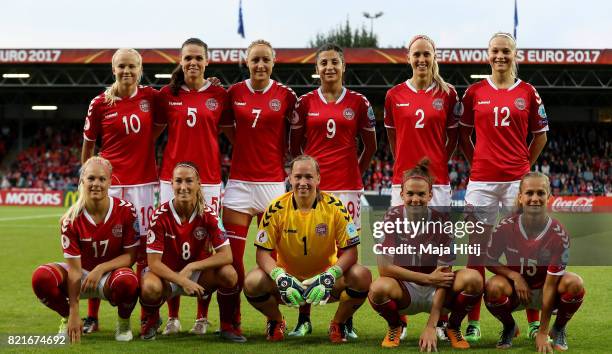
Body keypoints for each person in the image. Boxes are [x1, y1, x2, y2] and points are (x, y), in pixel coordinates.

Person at [458, 32, 549, 342]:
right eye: (495, 51)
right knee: (477, 251)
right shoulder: (473, 92)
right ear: (488, 55)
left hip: (515, 182)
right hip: (482, 182)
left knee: (522, 251)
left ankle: (534, 321)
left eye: (506, 51)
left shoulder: (529, 92)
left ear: (515, 54)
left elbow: (541, 136)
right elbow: (463, 136)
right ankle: (473, 321)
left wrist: (523, 166)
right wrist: (478, 164)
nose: (500, 56)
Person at [289, 43, 377, 337]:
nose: (329, 67)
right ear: (316, 69)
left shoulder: (359, 102)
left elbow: (371, 146)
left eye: (334, 62)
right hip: (312, 192)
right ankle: (304, 318)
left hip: (348, 189)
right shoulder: (304, 103)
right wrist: (308, 179)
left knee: (348, 255)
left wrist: (354, 173)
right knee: (306, 252)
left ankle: (344, 319)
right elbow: (295, 147)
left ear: (343, 67)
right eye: (323, 63)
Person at [243, 155, 371, 343]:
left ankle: (339, 323)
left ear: (318, 179)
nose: (303, 182)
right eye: (298, 177)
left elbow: (351, 252)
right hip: (287, 283)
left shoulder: (335, 207)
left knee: (362, 276)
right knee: (252, 282)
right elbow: (262, 253)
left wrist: (330, 275)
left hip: (325, 282)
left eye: (309, 177)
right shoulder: (275, 208)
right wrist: (280, 276)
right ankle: (276, 320)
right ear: (290, 179)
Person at [384, 34, 461, 340]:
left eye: (426, 54)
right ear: (408, 58)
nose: (421, 59)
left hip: (438, 183)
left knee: (438, 251)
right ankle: (399, 319)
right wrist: (405, 167)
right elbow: (393, 139)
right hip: (401, 183)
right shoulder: (394, 95)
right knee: (400, 249)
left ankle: (438, 320)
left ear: (434, 56)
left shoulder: (448, 94)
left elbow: (452, 139)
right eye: (416, 54)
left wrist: (439, 162)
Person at [219, 39, 297, 336]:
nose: (260, 65)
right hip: (239, 185)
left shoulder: (286, 95)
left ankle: (275, 320)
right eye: (255, 60)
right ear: (247, 62)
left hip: (272, 186)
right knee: (232, 258)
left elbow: (298, 131)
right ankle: (231, 321)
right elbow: (225, 124)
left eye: (266, 60)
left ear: (273, 63)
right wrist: (244, 146)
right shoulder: (234, 93)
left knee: (273, 259)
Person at [154, 37, 230, 335]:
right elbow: (152, 133)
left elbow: (230, 131)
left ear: (207, 61)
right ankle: (172, 316)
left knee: (206, 246)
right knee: (171, 247)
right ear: (180, 61)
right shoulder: (165, 96)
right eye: (188, 58)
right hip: (170, 180)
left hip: (209, 181)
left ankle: (202, 315)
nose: (193, 62)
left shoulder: (220, 95)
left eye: (198, 57)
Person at [81, 48, 159, 333]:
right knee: (100, 249)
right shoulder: (100, 103)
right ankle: (92, 315)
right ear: (113, 69)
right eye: (122, 66)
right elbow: (88, 146)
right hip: (110, 187)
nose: (127, 71)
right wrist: (87, 180)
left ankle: (144, 315)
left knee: (143, 250)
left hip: (144, 185)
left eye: (132, 66)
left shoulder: (151, 97)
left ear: (140, 69)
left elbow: (179, 97)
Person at [369, 158, 482, 350]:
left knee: (474, 279)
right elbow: (384, 268)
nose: (415, 199)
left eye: (421, 194)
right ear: (402, 194)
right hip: (405, 289)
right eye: (410, 193)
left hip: (437, 291)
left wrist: (431, 325)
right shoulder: (390, 217)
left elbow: (443, 278)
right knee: (378, 288)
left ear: (430, 195)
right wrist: (428, 278)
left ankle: (452, 326)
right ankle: (395, 325)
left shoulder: (443, 221)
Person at [31, 156, 140, 343]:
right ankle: (68, 320)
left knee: (128, 281)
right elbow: (73, 270)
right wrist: (73, 311)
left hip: (110, 277)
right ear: (82, 181)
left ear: (110, 181)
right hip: (80, 275)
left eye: (101, 179)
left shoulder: (126, 210)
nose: (96, 184)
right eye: (91, 179)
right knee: (41, 277)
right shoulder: (70, 219)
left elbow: (130, 256)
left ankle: (123, 322)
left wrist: (101, 268)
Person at [139, 162, 243, 342]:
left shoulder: (209, 214)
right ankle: (152, 320)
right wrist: (181, 279)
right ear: (171, 184)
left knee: (229, 274)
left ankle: (227, 326)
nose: (183, 187)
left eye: (189, 181)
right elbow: (153, 263)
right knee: (149, 286)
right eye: (178, 181)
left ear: (198, 184)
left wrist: (192, 267)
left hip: (198, 276)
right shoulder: (159, 216)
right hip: (167, 276)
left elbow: (227, 255)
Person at [484, 172, 585, 351]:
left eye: (541, 193)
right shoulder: (506, 226)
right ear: (520, 197)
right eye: (529, 193)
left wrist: (543, 331)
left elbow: (550, 285)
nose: (535, 198)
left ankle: (558, 328)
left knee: (575, 284)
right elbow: (488, 259)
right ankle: (509, 327)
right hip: (518, 292)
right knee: (492, 287)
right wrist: (514, 276)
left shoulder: (558, 234)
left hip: (548, 290)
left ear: (549, 197)